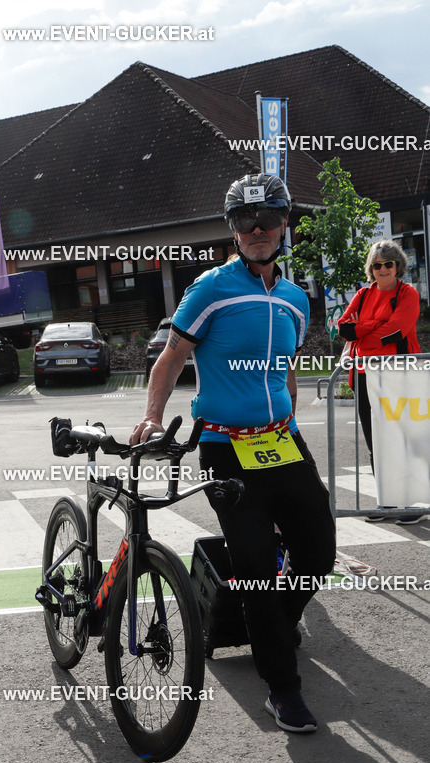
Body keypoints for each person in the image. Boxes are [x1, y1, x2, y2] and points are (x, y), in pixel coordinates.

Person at [130, 172, 336, 733]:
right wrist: (151, 416)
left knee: (317, 551)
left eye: (269, 219)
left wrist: (290, 417)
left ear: (284, 225)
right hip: (225, 446)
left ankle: (273, 624)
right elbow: (172, 357)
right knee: (254, 567)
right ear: (234, 229)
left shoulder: (295, 299)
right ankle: (281, 686)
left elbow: (287, 369)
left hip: (281, 440)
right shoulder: (210, 288)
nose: (258, 229)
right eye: (247, 222)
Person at [337, 240, 423, 525]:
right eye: (377, 264)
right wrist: (370, 327)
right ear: (371, 268)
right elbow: (344, 328)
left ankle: (413, 503)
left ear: (398, 266)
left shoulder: (407, 293)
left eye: (388, 264)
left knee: (402, 438)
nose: (383, 269)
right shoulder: (362, 295)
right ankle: (387, 500)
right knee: (376, 441)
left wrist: (363, 333)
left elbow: (398, 330)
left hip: (399, 374)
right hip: (364, 376)